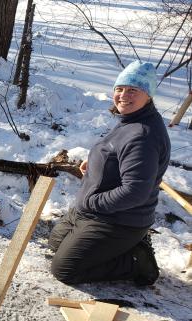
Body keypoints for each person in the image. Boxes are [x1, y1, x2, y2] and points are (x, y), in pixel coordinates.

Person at [49, 61, 171, 286]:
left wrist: (93, 203)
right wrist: (96, 161)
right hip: (95, 211)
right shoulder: (134, 119)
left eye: (133, 90)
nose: (124, 95)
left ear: (149, 95)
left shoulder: (142, 135)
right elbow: (118, 151)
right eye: (120, 88)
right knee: (56, 243)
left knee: (64, 269)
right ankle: (115, 248)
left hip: (119, 220)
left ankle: (137, 261)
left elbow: (134, 192)